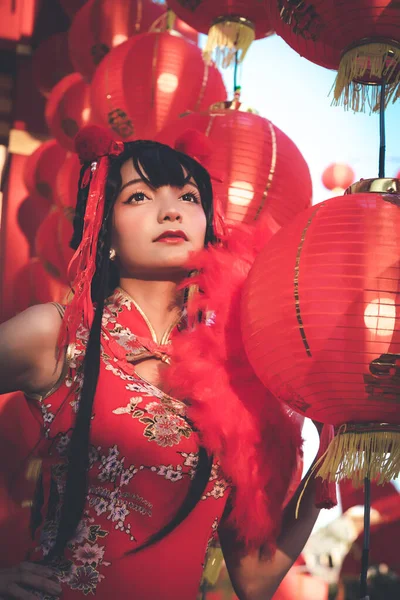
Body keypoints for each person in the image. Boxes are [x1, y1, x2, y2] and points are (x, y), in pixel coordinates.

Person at [0, 126, 322, 600]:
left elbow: (253, 581)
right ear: (102, 225)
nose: (171, 209)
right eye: (138, 197)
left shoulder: (236, 376)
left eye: (189, 196)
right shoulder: (58, 334)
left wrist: (329, 464)